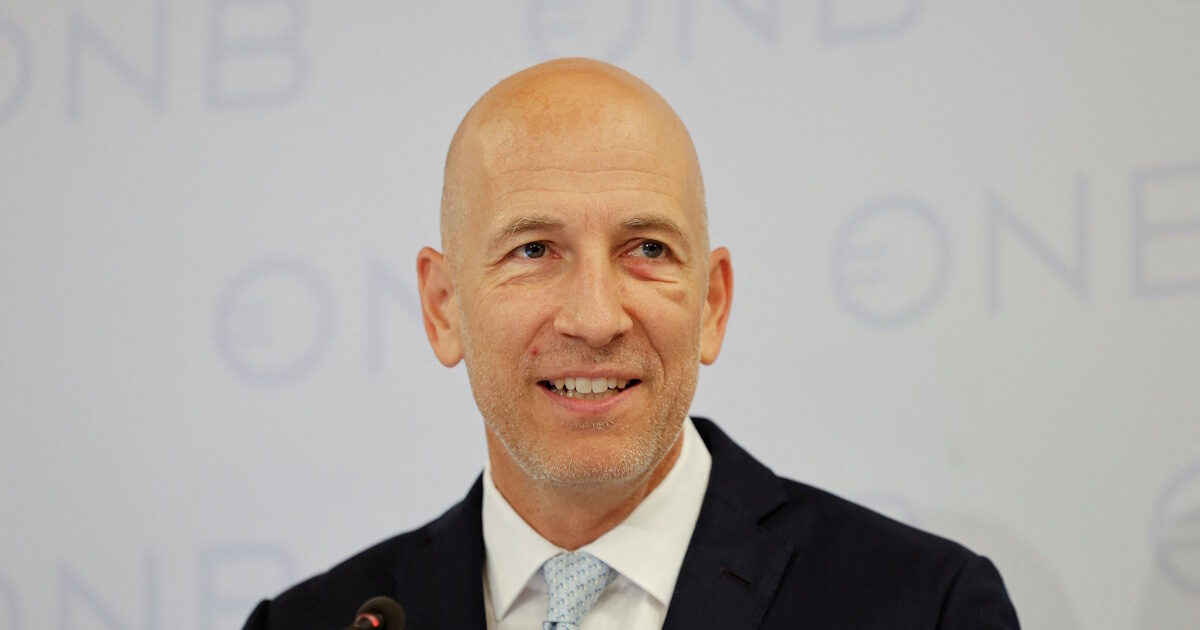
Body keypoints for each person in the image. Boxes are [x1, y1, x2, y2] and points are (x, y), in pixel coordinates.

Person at [242, 58, 1020, 629]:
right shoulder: (312, 624)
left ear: (712, 303)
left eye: (647, 249)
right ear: (444, 308)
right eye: (534, 250)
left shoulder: (925, 607)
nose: (595, 318)